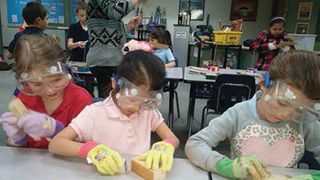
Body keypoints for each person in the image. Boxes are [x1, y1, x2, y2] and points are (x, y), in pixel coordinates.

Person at [185, 50, 320, 179]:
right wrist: (227, 167)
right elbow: (195, 144)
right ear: (264, 85)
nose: (287, 114)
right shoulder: (239, 114)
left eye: (300, 109)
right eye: (283, 103)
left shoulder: (305, 120)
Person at [49, 50, 179, 175]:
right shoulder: (95, 113)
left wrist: (165, 146)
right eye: (133, 99)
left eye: (146, 101)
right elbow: (56, 143)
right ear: (115, 83)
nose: (137, 108)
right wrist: (90, 150)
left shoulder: (148, 112)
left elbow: (172, 138)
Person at [0, 34, 92, 149]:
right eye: (37, 84)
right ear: (26, 83)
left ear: (65, 71)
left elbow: (88, 146)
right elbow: (14, 146)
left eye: (57, 79)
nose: (50, 90)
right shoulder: (24, 98)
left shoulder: (80, 99)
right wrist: (19, 138)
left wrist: (56, 130)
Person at [86, 0, 148, 98]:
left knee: (116, 98)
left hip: (111, 60)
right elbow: (115, 13)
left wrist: (128, 27)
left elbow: (112, 37)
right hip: (104, 61)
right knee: (111, 101)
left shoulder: (108, 5)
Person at [67, 2, 94, 96]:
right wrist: (77, 44)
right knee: (77, 88)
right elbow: (69, 45)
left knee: (89, 88)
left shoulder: (93, 28)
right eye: (81, 15)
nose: (84, 18)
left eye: (86, 15)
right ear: (77, 15)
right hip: (77, 63)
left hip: (90, 63)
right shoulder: (73, 27)